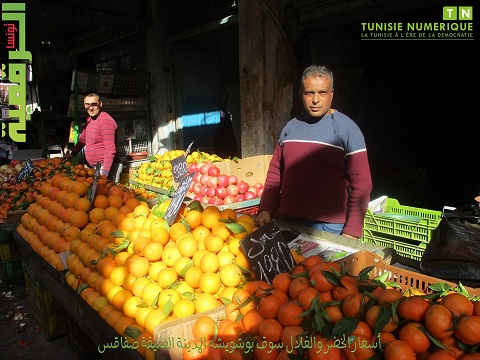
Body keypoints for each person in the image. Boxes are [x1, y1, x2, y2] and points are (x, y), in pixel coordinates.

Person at [256, 65, 372, 239]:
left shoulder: (347, 129)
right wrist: (265, 208)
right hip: (288, 219)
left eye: (322, 93)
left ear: (332, 94)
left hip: (329, 226)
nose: (315, 99)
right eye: (309, 93)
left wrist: (353, 230)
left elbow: (362, 183)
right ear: (301, 93)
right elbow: (275, 173)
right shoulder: (291, 127)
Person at [64, 91, 123, 182]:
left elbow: (110, 149)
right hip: (96, 168)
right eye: (87, 104)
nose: (90, 108)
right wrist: (73, 154)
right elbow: (83, 139)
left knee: (108, 194)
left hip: (107, 167)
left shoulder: (105, 121)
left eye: (94, 104)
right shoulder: (90, 119)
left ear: (100, 104)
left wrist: (104, 174)